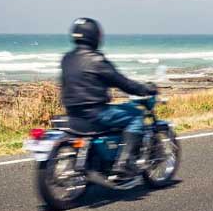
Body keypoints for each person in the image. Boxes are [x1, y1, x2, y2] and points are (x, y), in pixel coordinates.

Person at [60, 17, 158, 172]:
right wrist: (143, 89)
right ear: (94, 36)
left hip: (73, 116)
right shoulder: (96, 60)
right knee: (136, 117)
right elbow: (122, 82)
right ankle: (123, 162)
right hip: (97, 114)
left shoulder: (67, 58)